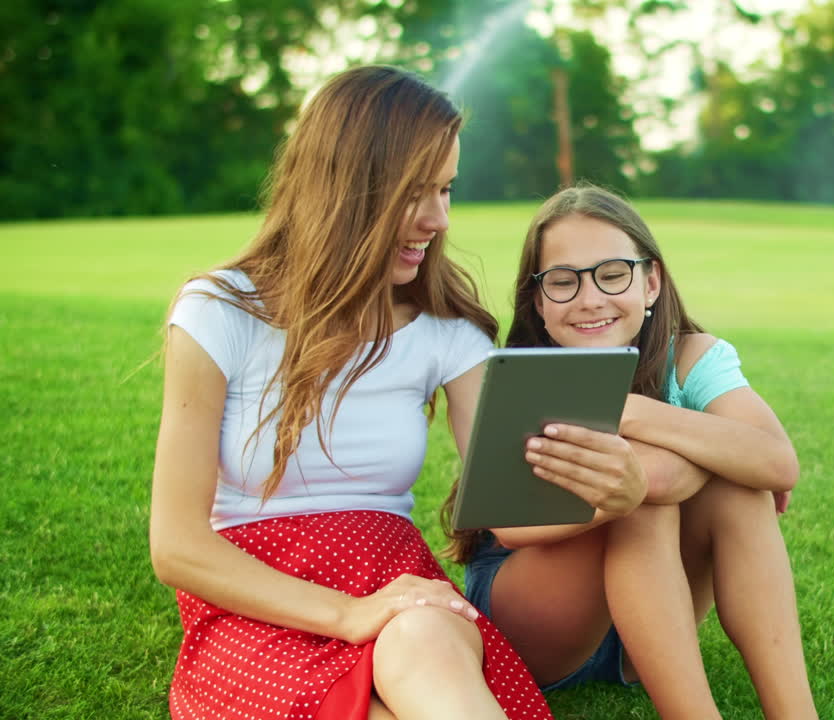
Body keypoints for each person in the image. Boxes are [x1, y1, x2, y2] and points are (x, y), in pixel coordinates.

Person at [149, 65, 584, 720]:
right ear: (347, 185)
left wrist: (634, 487)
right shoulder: (219, 312)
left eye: (446, 189)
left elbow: (514, 505)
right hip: (254, 606)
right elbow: (177, 544)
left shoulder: (446, 330)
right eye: (417, 192)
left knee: (425, 635)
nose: (439, 219)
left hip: (395, 581)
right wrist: (348, 615)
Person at [442, 184, 819, 719]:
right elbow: (512, 528)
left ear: (651, 282)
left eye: (612, 273)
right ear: (538, 302)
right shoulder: (525, 378)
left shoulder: (689, 356)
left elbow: (777, 464)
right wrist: (686, 467)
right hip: (538, 621)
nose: (590, 298)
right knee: (638, 503)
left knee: (741, 495)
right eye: (563, 282)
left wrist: (633, 413)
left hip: (646, 630)